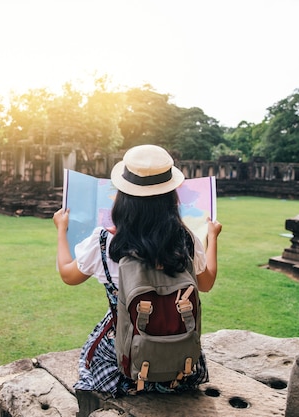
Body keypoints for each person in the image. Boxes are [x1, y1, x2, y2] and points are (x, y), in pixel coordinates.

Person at [53, 144, 222, 397]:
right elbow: (206, 283)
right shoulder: (184, 240)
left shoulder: (103, 242)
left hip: (123, 364)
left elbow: (68, 275)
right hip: (180, 363)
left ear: (122, 197)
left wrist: (60, 231)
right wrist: (212, 238)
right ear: (171, 198)